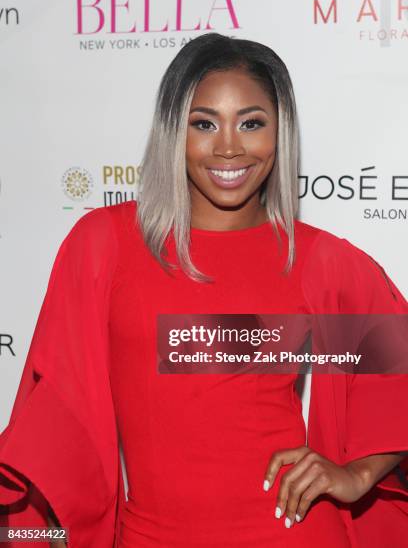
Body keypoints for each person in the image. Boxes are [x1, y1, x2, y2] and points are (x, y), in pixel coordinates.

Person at [0, 32, 407, 548]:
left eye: (252, 123)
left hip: (289, 533)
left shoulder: (315, 261)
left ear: (280, 134)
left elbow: (399, 371)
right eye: (205, 123)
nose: (230, 146)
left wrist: (357, 474)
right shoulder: (105, 245)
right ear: (175, 131)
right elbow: (57, 417)